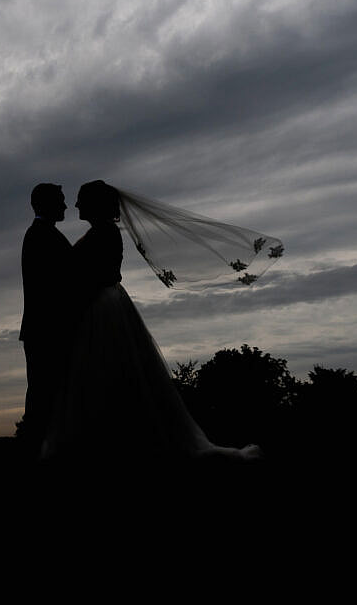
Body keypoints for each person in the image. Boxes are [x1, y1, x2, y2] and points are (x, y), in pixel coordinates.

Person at [41, 180, 270, 463]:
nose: (75, 205)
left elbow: (98, 275)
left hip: (102, 308)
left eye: (80, 200)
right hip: (104, 306)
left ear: (94, 204)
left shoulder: (104, 233)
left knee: (106, 372)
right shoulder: (102, 232)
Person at [19, 183, 77, 459]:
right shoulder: (41, 236)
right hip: (45, 332)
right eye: (61, 201)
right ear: (46, 204)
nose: (66, 206)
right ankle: (37, 451)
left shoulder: (45, 235)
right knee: (43, 395)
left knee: (48, 394)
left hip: (45, 330)